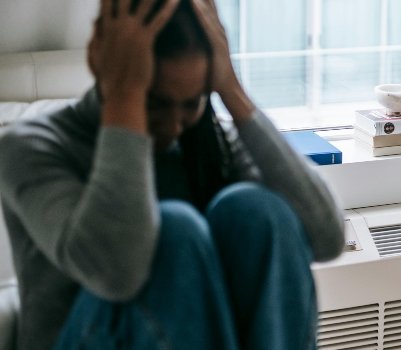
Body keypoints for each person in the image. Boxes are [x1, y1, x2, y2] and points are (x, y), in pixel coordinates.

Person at [0, 0, 344, 349]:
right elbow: (116, 273)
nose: (173, 126)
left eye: (191, 103)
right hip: (82, 338)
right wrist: (125, 97)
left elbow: (327, 239)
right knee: (175, 230)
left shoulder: (209, 143)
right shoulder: (31, 147)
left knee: (258, 210)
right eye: (154, 102)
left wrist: (232, 91)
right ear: (97, 58)